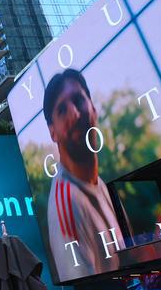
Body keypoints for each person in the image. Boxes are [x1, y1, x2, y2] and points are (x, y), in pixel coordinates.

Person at [43, 69, 120, 278]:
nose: (75, 114)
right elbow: (88, 286)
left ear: (93, 108)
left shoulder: (99, 184)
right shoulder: (66, 203)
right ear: (52, 131)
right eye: (62, 110)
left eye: (78, 100)